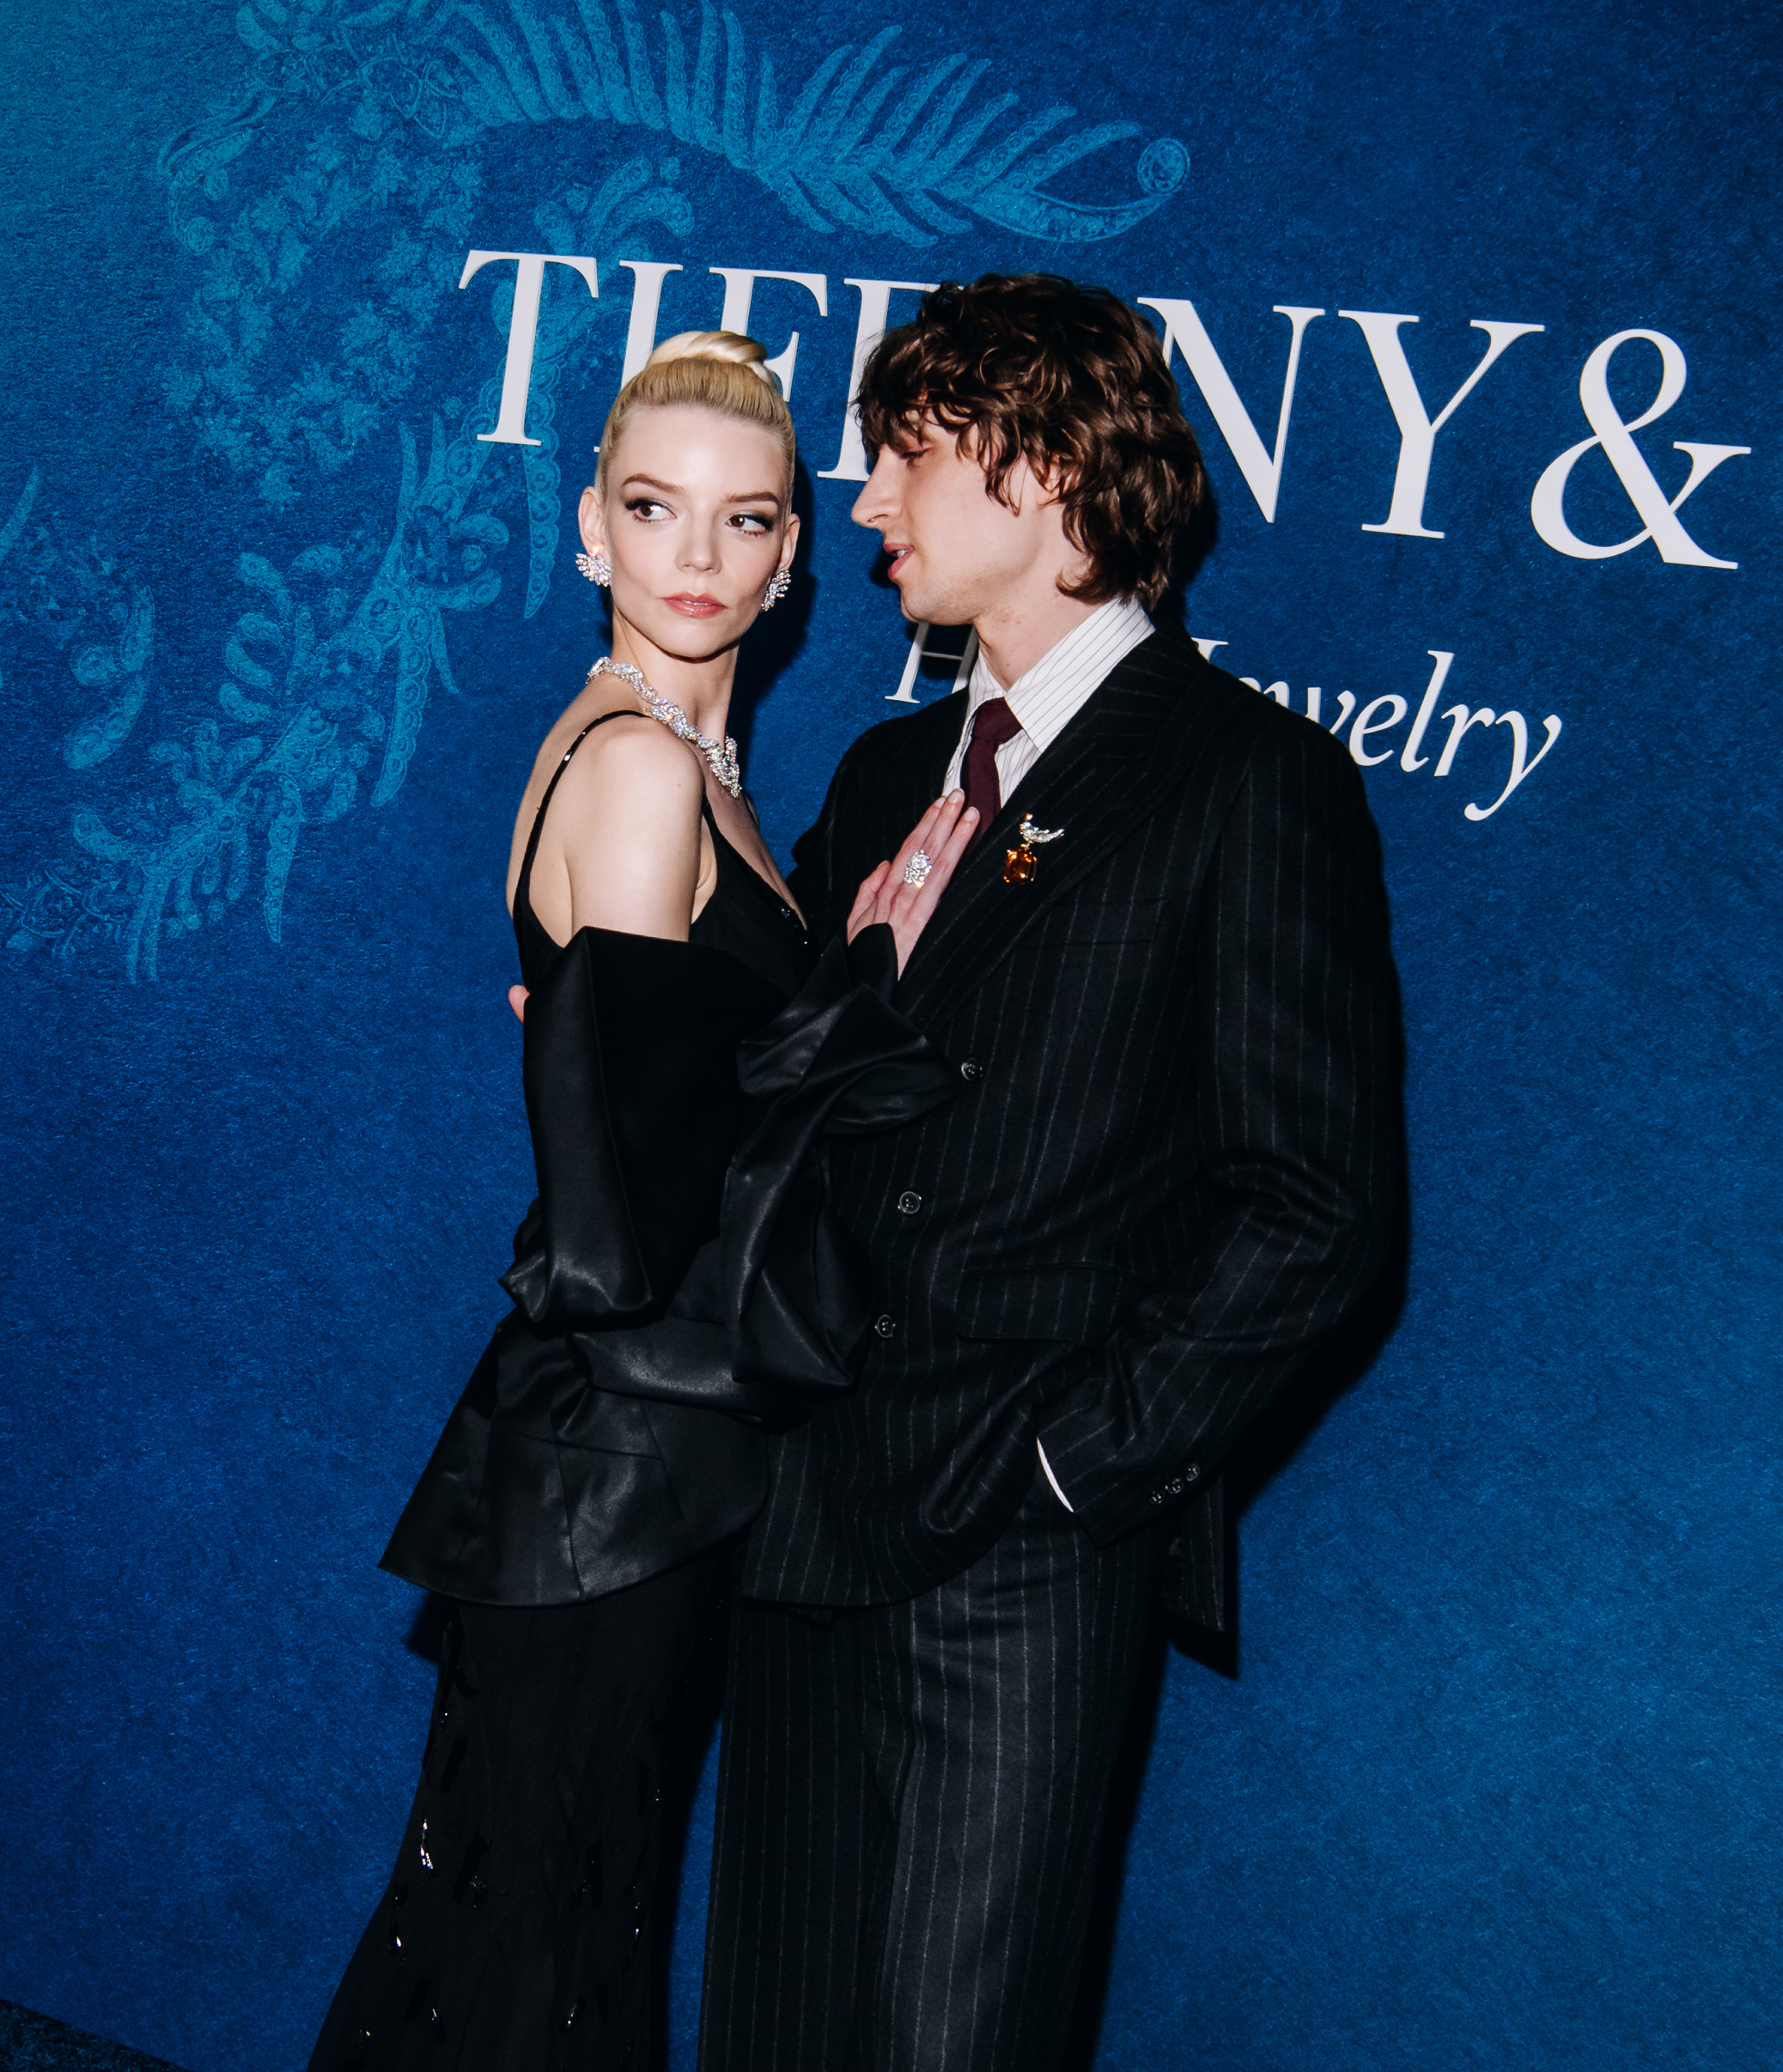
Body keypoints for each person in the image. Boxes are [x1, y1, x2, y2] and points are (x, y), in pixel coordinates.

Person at [700, 275, 1404, 2071]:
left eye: (905, 457)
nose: (865, 500)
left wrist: (1073, 1465)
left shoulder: (1249, 780)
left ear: (1043, 465)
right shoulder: (885, 772)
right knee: (777, 2029)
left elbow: (1319, 1205)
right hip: (804, 1503)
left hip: (1015, 1548)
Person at [309, 331, 974, 2071]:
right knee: (536, 1953)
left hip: (638, 1449)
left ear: (793, 556)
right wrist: (850, 1037)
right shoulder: (643, 769)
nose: (699, 555)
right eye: (655, 508)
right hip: (623, 1448)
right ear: (589, 527)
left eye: (745, 519)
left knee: (532, 1929)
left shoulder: (701, 768)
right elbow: (643, 1204)